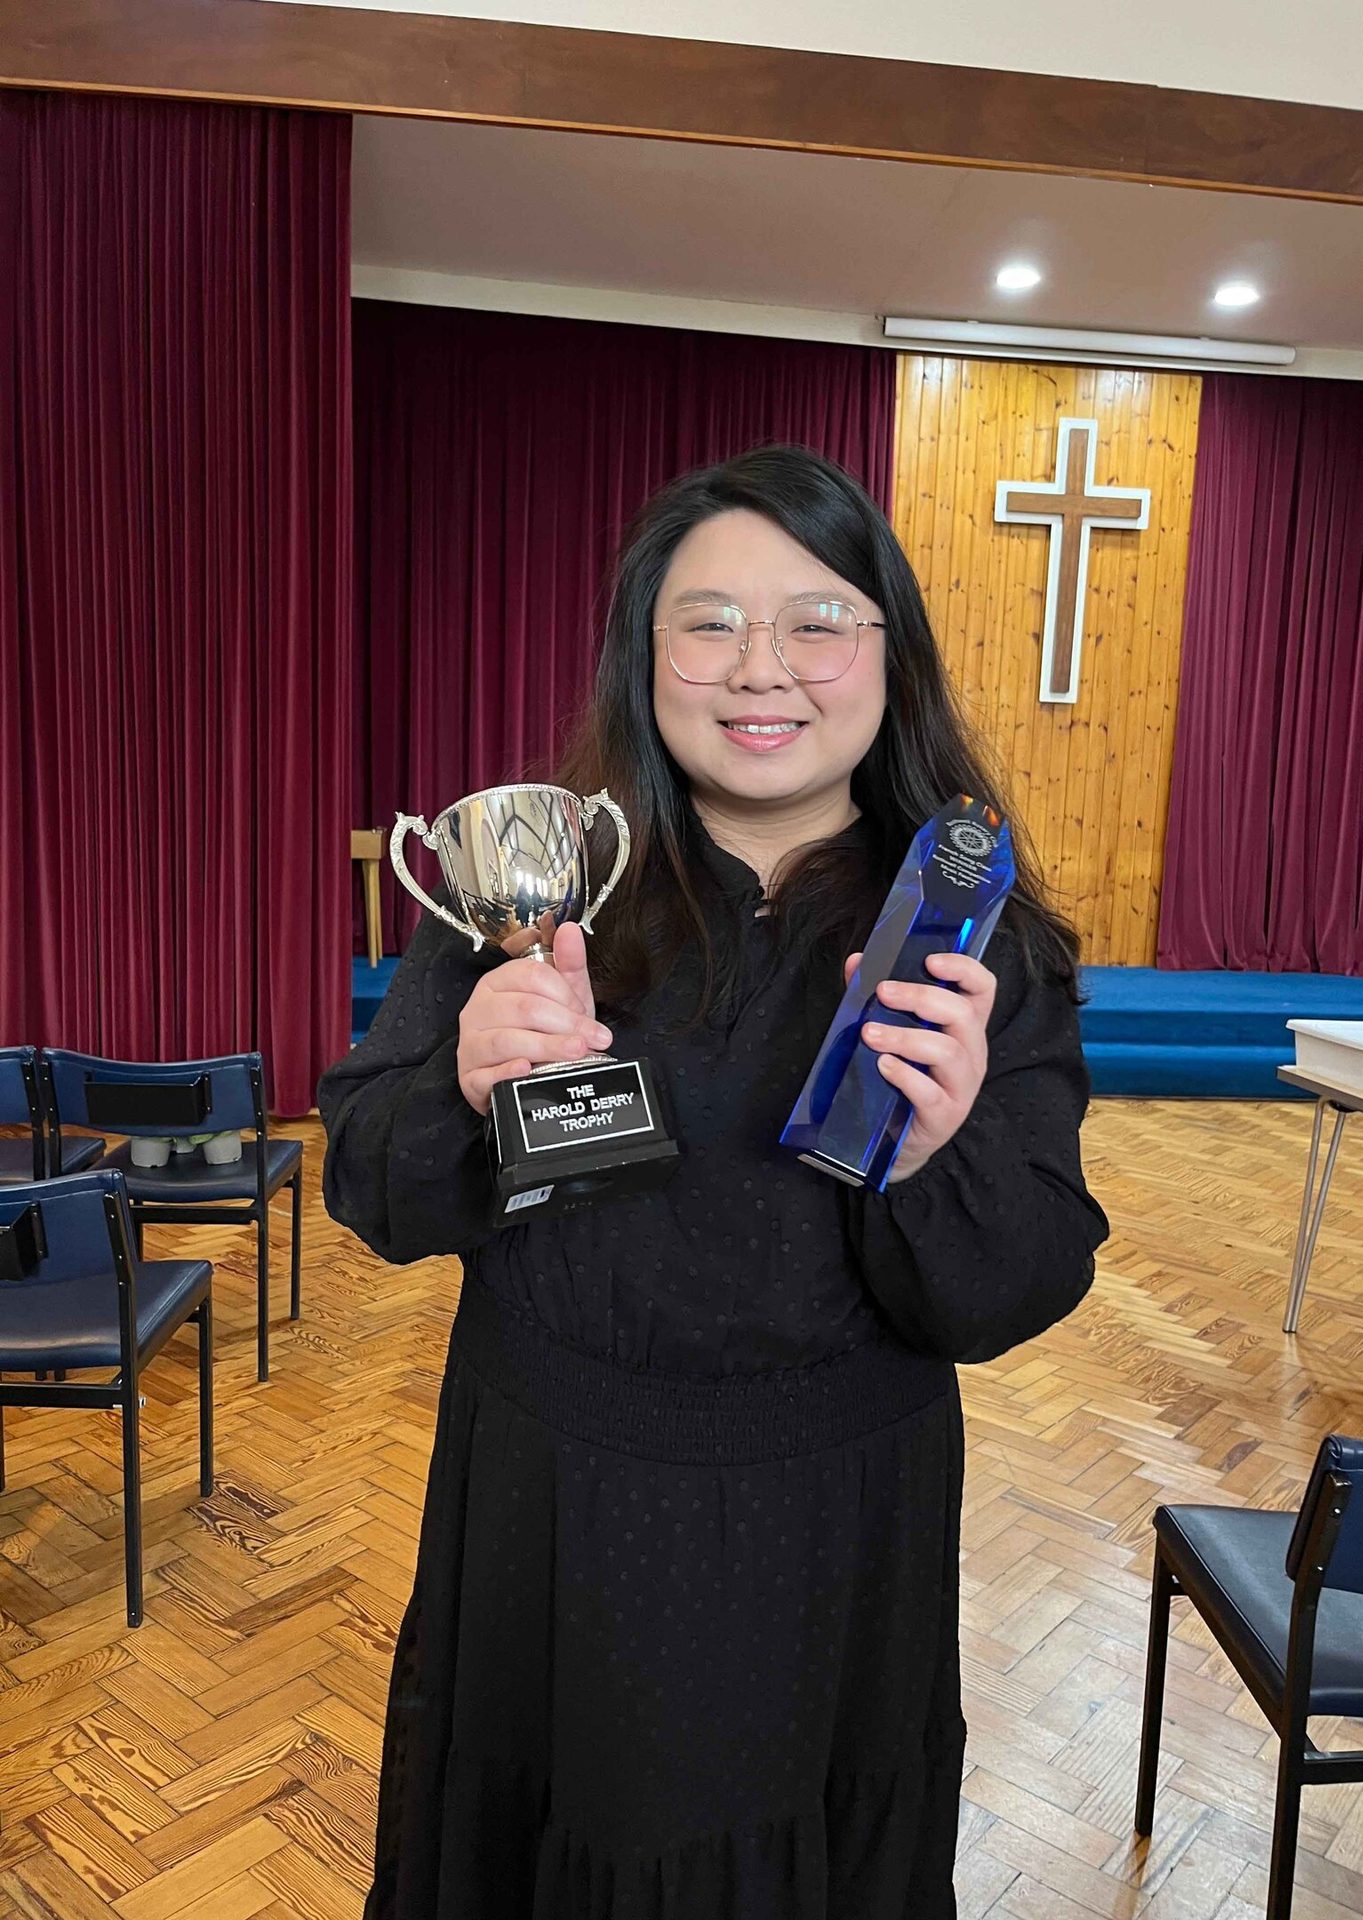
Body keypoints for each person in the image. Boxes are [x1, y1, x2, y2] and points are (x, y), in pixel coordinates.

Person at [318, 444, 1109, 1920]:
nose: (764, 668)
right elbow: (371, 1183)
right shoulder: (538, 886)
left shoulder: (977, 941)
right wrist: (460, 1089)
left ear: (891, 653)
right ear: (644, 651)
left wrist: (937, 1162)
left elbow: (1021, 1287)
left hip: (839, 1533)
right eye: (709, 621)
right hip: (551, 1510)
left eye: (819, 619)